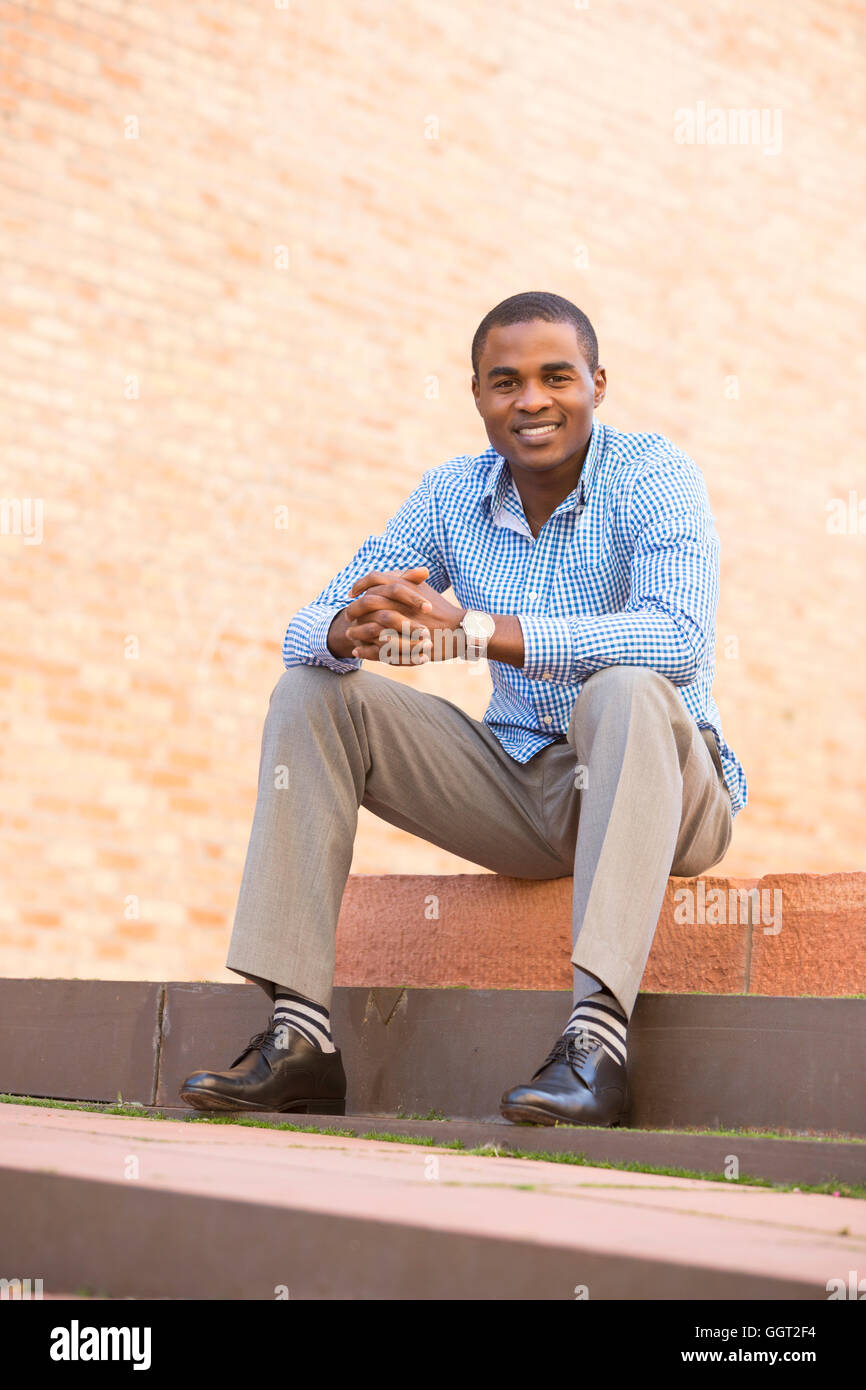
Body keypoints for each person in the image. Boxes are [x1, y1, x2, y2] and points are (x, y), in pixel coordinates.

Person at [180, 290, 747, 1127]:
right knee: (313, 688)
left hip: (666, 789)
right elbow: (305, 623)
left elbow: (677, 639)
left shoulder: (655, 475)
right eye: (504, 381)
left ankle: (596, 1047)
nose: (531, 400)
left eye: (556, 377)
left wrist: (476, 633)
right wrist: (351, 626)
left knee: (622, 688)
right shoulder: (451, 495)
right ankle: (301, 1039)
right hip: (522, 787)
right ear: (477, 394)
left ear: (597, 383)